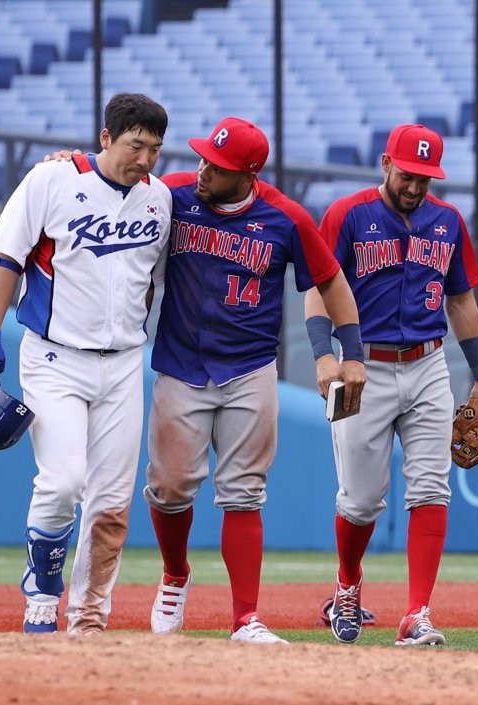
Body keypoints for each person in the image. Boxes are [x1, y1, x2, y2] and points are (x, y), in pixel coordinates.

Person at [143, 117, 366, 644]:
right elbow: (113, 178)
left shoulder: (284, 217)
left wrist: (350, 355)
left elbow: (332, 282)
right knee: (170, 487)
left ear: (247, 173)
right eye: (202, 158)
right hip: (181, 362)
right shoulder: (172, 193)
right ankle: (175, 574)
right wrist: (74, 164)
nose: (202, 170)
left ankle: (245, 618)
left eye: (216, 167)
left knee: (244, 493)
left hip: (249, 368)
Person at [0, 93, 173, 634]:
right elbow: (6, 256)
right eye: (135, 145)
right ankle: (42, 593)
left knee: (111, 505)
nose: (145, 159)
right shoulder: (52, 180)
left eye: (154, 148)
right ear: (106, 138)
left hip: (125, 362)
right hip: (55, 356)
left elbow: (150, 285)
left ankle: (89, 617)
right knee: (62, 482)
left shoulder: (159, 201)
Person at [305, 123, 478, 646]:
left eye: (426, 179)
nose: (415, 187)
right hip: (362, 367)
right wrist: (326, 356)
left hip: (430, 364)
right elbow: (319, 290)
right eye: (408, 175)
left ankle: (416, 613)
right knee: (361, 501)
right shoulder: (348, 213)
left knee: (433, 487)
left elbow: (460, 300)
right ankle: (347, 583)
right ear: (387, 164)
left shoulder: (448, 221)